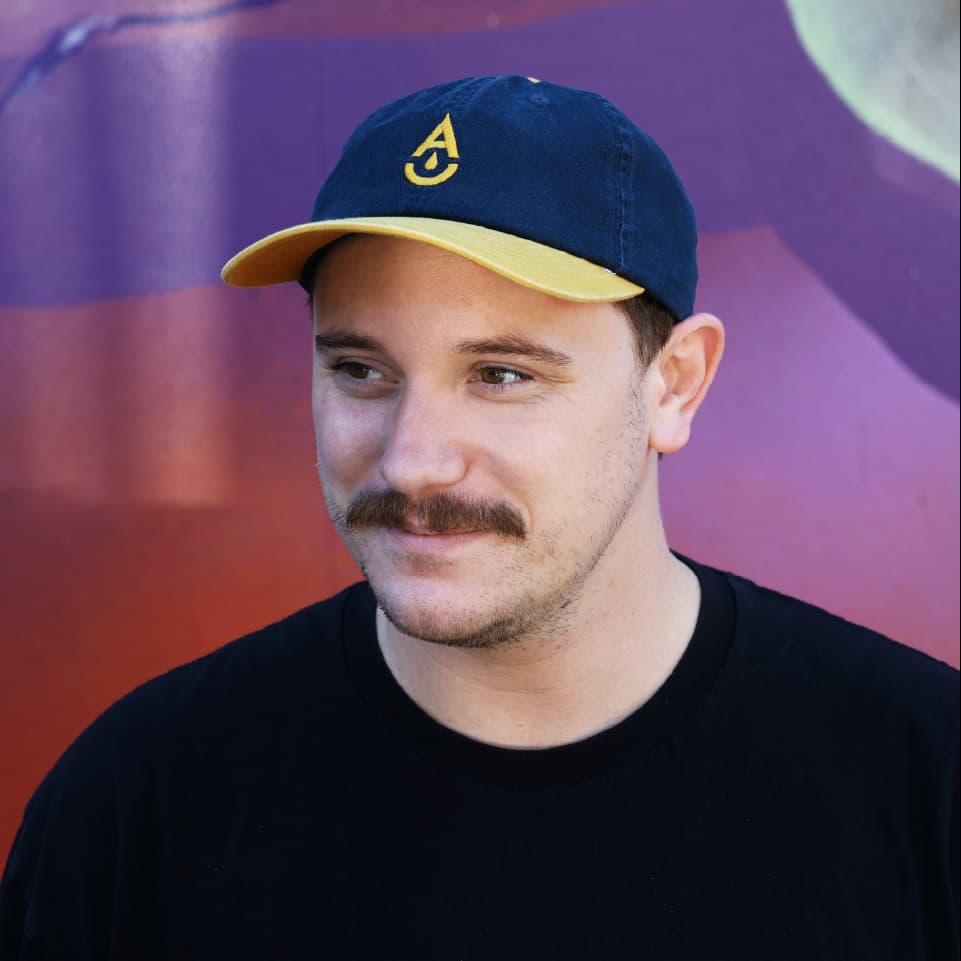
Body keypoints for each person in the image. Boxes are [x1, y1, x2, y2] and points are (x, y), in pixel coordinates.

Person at [0, 75, 957, 961]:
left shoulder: (922, 785)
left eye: (500, 374)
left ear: (673, 384)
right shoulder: (136, 805)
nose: (413, 458)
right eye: (360, 370)